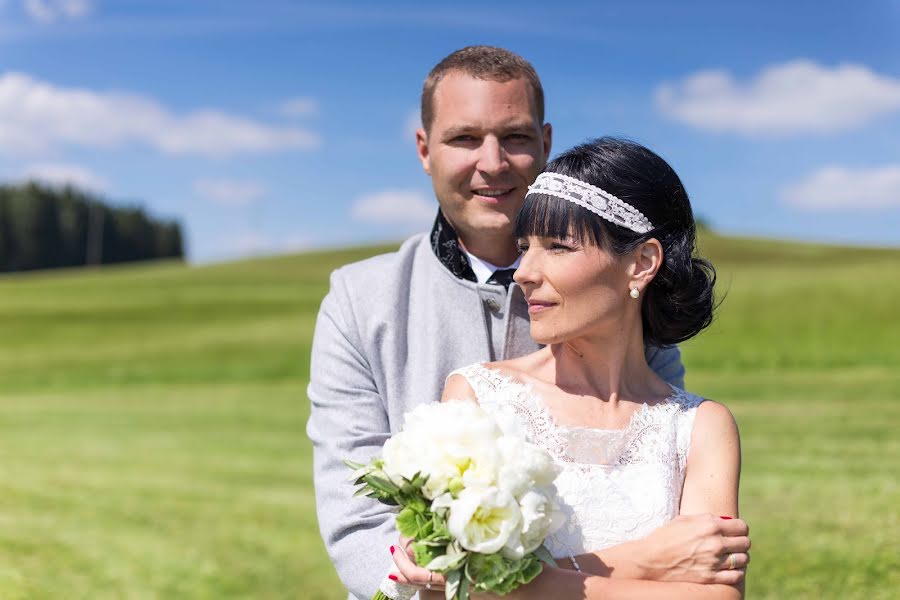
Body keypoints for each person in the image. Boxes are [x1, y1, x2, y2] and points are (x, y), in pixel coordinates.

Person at [307, 46, 748, 600]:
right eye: (464, 138)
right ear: (425, 149)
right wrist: (631, 562)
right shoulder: (359, 299)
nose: (492, 163)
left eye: (514, 138)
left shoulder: (626, 318)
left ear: (545, 144)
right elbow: (361, 522)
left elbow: (695, 553)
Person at [389, 137, 747, 599]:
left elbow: (717, 596)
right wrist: (647, 561)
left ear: (641, 263)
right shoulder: (477, 401)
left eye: (557, 246)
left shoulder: (700, 428)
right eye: (525, 246)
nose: (523, 271)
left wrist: (520, 586)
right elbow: (449, 591)